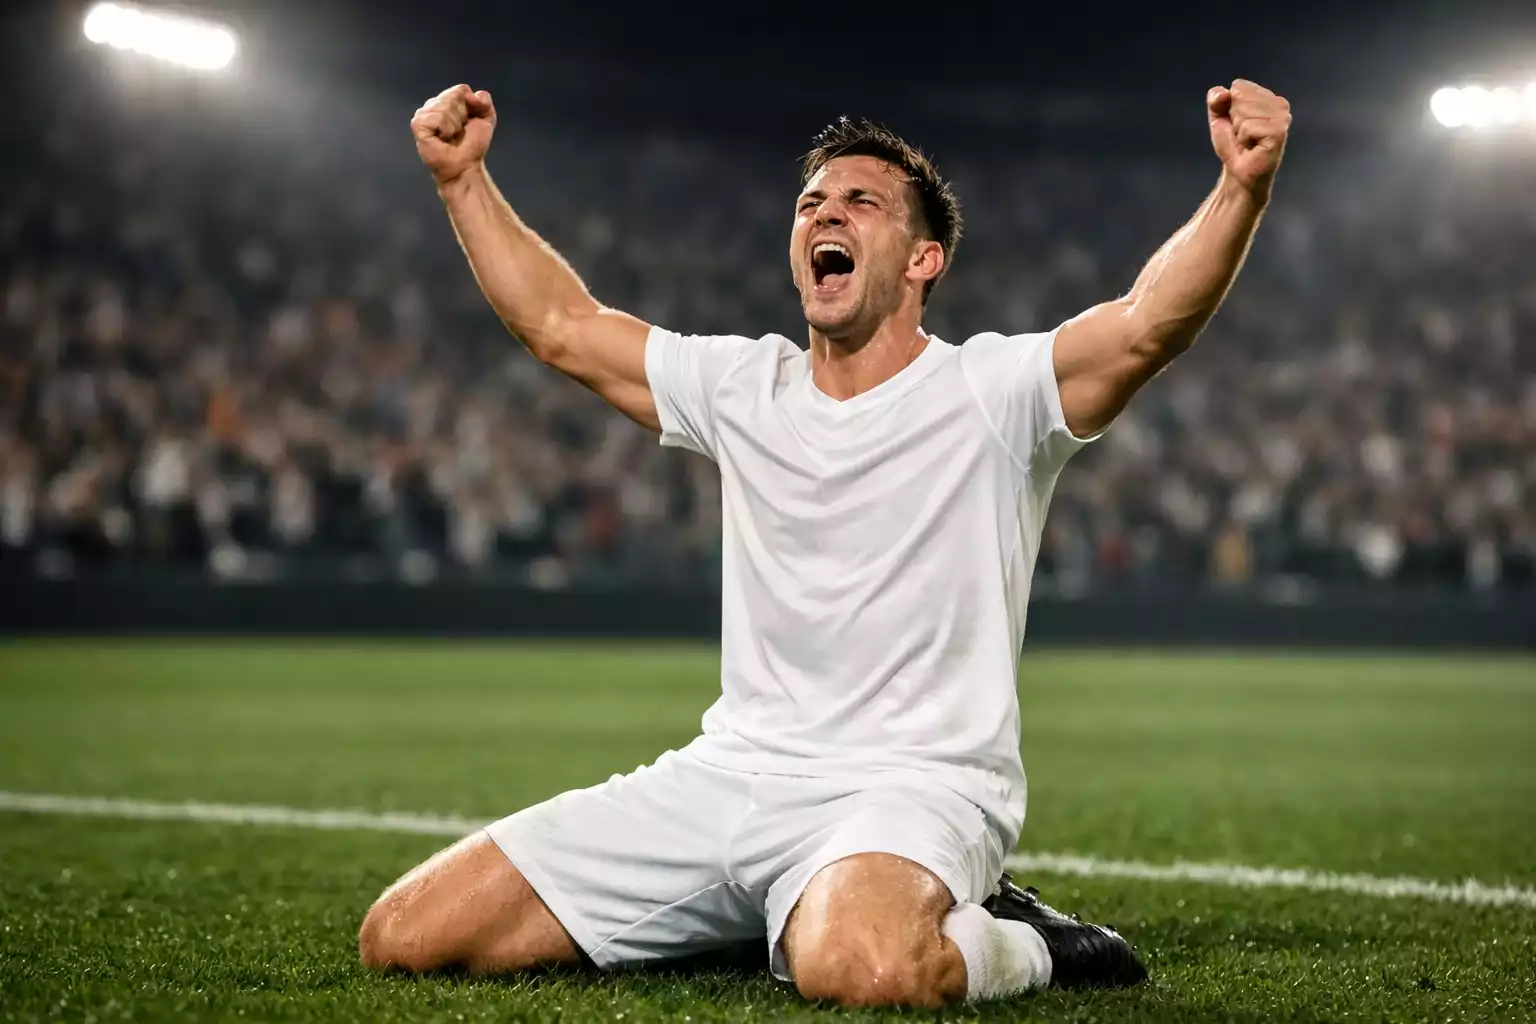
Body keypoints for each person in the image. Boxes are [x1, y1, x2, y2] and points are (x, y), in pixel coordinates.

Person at [358, 78, 1291, 1007]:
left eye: (859, 201)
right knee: (404, 937)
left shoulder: (990, 393)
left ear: (924, 259)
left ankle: (1036, 945)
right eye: (810, 203)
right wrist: (462, 180)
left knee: (870, 971)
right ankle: (783, 910)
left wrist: (1240, 188)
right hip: (728, 775)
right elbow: (564, 326)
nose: (823, 214)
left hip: (913, 787)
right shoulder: (741, 385)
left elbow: (1143, 327)